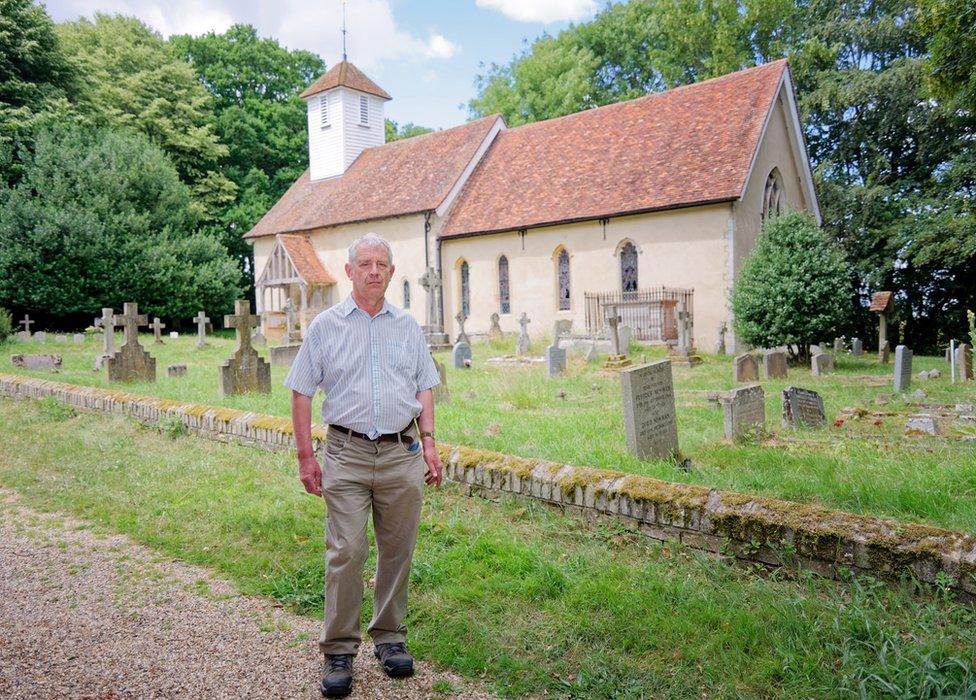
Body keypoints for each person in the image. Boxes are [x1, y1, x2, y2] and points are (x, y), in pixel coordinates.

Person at [285, 232, 442, 698]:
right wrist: (305, 456)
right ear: (350, 272)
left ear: (392, 273)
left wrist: (430, 442)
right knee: (347, 551)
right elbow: (300, 390)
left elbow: (425, 386)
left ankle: (390, 638)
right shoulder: (326, 326)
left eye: (382, 264)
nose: (374, 271)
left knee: (397, 551)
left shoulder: (408, 327)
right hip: (346, 455)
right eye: (365, 263)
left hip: (401, 453)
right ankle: (338, 649)